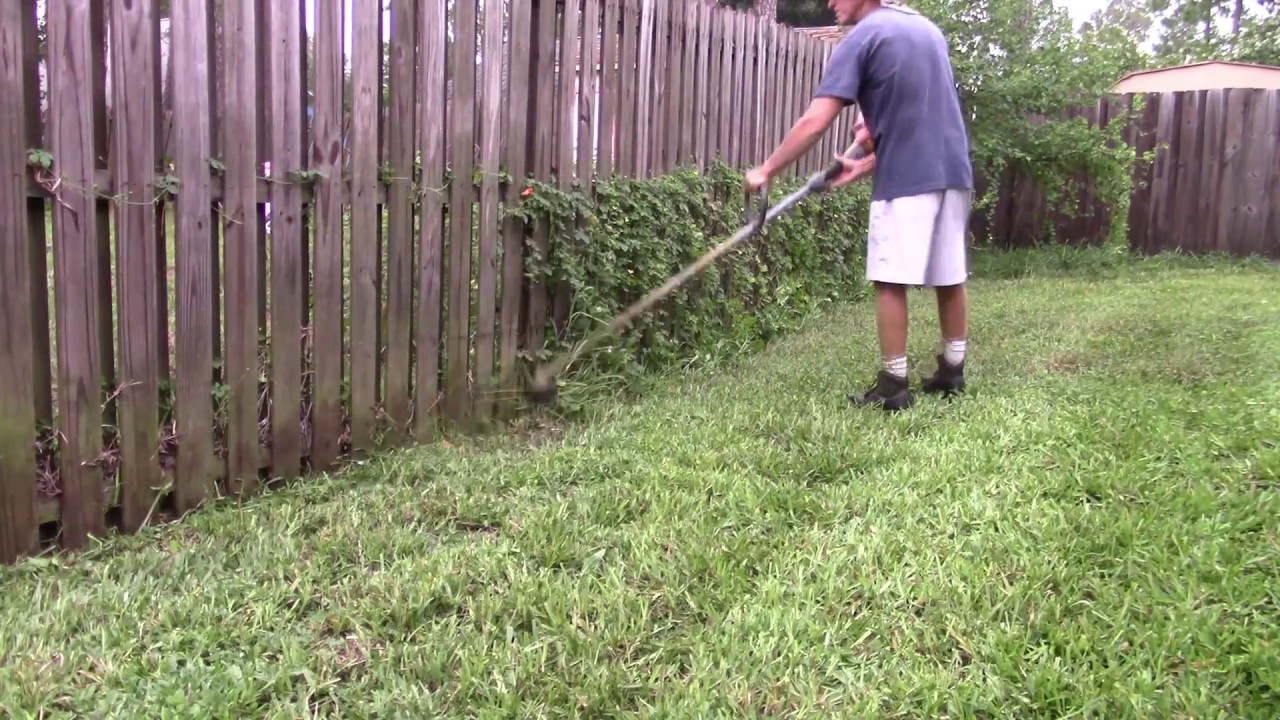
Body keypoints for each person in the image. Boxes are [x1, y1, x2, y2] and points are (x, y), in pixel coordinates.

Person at [744, 0, 973, 412]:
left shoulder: (863, 36)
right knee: (949, 272)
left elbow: (817, 120)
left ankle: (893, 385)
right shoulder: (926, 31)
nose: (830, 2)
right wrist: (865, 162)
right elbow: (919, 119)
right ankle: (952, 369)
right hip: (954, 171)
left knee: (889, 279)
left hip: (907, 178)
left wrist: (767, 170)